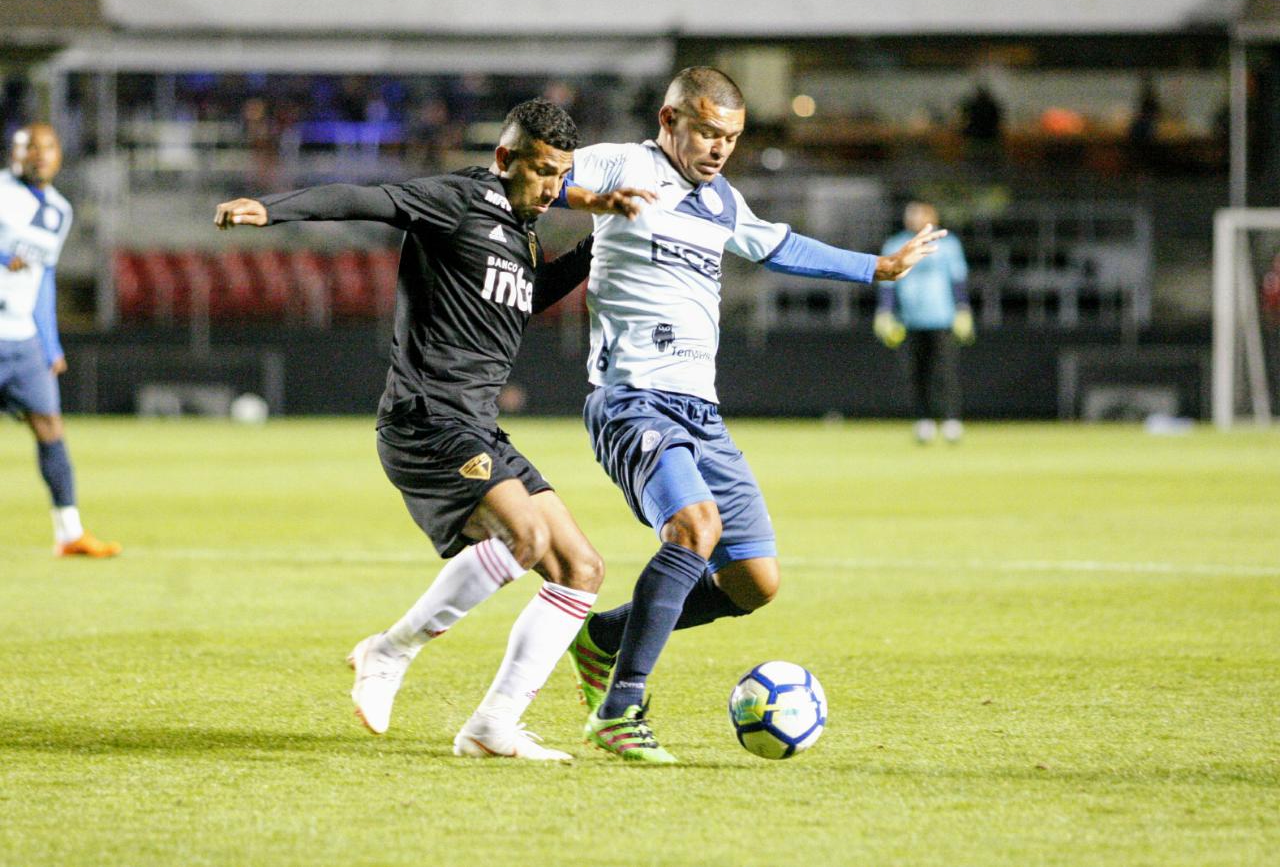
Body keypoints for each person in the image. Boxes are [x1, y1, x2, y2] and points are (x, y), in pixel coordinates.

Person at [215, 98, 650, 760]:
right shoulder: (458, 199)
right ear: (505, 159)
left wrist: (595, 244)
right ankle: (388, 652)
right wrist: (273, 208)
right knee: (526, 537)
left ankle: (492, 725)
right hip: (426, 420)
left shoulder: (522, 222)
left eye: (562, 176)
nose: (554, 188)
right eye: (541, 173)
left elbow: (522, 298)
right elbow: (367, 198)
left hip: (477, 425)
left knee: (582, 570)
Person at [557, 67, 945, 762]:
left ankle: (605, 638)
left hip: (700, 412)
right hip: (632, 398)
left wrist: (876, 268)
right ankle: (621, 707)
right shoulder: (624, 162)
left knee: (753, 582)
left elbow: (782, 244)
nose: (717, 148)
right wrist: (591, 198)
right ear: (669, 119)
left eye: (730, 137)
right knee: (693, 528)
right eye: (706, 131)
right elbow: (538, 173)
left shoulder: (722, 201)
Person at [0, 124, 121, 558]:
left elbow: (43, 277)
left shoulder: (59, 210)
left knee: (50, 427)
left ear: (59, 156)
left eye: (48, 147)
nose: (39, 154)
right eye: (29, 146)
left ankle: (69, 532)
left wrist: (50, 344)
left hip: (23, 341)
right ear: (12, 153)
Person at [874, 201, 973, 444]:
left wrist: (962, 309)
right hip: (910, 319)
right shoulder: (896, 244)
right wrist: (885, 312)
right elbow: (887, 281)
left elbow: (958, 278)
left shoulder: (948, 245)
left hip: (941, 317)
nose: (914, 218)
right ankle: (924, 421)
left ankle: (951, 420)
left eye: (919, 213)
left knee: (945, 372)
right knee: (917, 373)